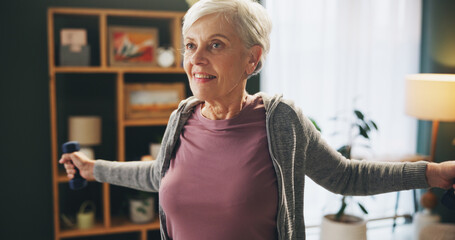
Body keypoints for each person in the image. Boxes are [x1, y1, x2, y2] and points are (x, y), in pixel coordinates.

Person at [59, 0, 455, 239]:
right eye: (191, 46)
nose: (196, 59)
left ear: (253, 58)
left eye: (216, 45)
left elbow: (346, 176)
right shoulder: (181, 117)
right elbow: (158, 176)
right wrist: (95, 169)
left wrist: (433, 173)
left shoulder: (280, 120)